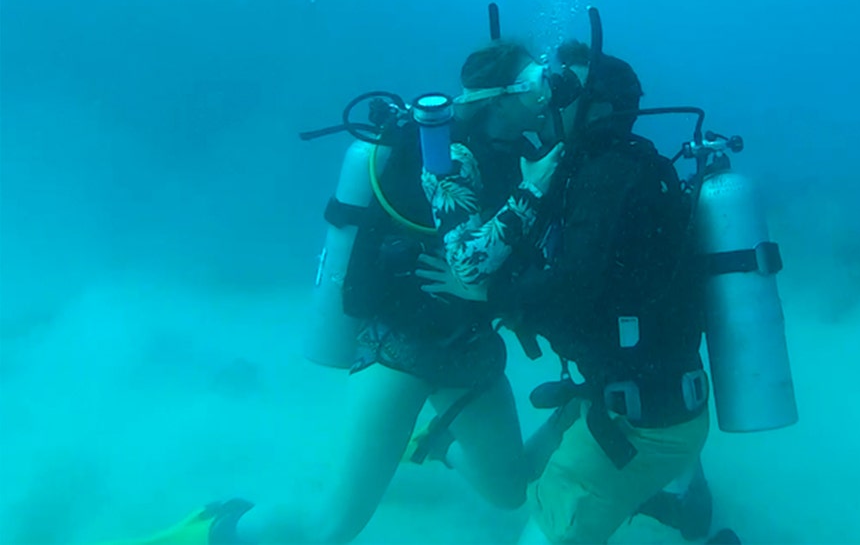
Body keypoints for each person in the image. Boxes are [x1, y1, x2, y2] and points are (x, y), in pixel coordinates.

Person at [98, 41, 561, 545]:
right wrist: (532, 189)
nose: (548, 95)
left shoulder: (519, 152)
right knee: (332, 526)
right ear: (500, 97)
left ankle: (438, 441)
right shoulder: (444, 151)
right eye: (537, 83)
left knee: (510, 491)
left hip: (469, 349)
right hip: (403, 348)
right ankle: (215, 526)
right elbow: (469, 264)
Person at [415, 34, 718, 545]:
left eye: (563, 88)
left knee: (544, 527)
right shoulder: (609, 168)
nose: (549, 98)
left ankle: (650, 490)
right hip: (640, 399)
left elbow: (571, 288)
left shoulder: (606, 177)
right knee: (521, 479)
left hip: (643, 419)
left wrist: (489, 298)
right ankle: (671, 497)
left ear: (595, 104)